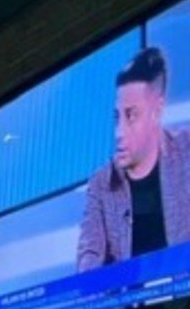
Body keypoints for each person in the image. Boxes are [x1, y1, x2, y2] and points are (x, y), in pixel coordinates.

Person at [77, 46, 190, 270]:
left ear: (157, 110)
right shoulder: (101, 184)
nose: (119, 133)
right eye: (117, 117)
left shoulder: (186, 152)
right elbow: (88, 259)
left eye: (131, 115)